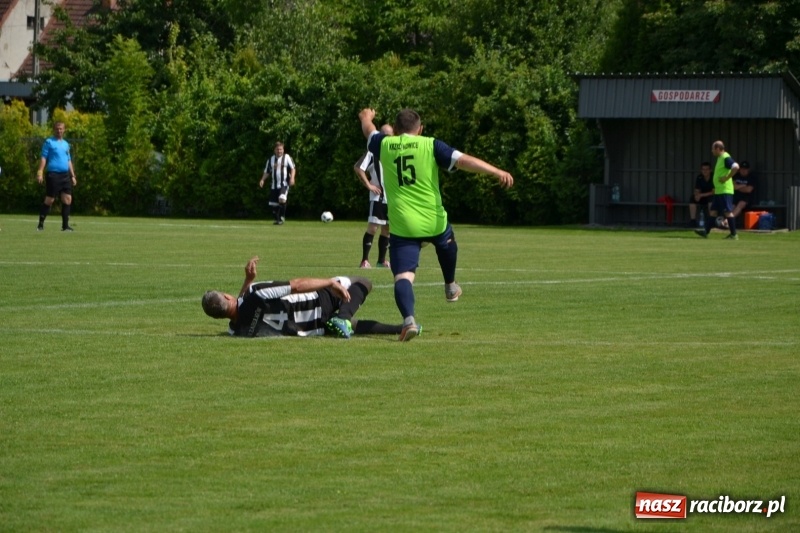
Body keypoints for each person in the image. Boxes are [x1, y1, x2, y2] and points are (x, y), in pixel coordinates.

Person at [359, 107, 514, 341]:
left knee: (403, 277)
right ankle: (450, 285)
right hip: (432, 220)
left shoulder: (384, 144)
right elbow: (463, 160)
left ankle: (409, 320)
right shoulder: (431, 145)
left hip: (403, 225)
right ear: (420, 129)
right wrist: (496, 171)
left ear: (396, 129)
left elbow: (368, 130)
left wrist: (366, 117)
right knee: (446, 239)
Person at [201, 256, 402, 339]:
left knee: (355, 326)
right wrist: (330, 283)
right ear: (227, 296)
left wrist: (247, 280)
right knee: (363, 282)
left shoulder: (236, 331)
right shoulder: (256, 292)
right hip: (317, 301)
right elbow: (296, 286)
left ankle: (401, 329)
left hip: (314, 327)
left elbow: (243, 310)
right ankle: (342, 318)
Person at [354, 124, 394, 269]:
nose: (388, 138)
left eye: (390, 135)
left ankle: (381, 261)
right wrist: (369, 185)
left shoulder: (395, 151)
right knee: (373, 227)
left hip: (392, 198)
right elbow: (358, 167)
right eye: (385, 135)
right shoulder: (372, 152)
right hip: (378, 197)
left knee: (387, 229)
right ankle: (364, 260)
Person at [36, 121, 77, 231]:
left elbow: (68, 160)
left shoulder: (66, 144)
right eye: (57, 129)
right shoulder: (49, 142)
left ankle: (65, 226)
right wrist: (40, 172)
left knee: (67, 199)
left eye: (61, 129)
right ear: (54, 130)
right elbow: (43, 158)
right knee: (50, 200)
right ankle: (40, 224)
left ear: (64, 130)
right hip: (53, 175)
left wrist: (73, 176)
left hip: (65, 176)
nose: (59, 131)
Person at [695, 140, 739, 240]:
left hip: (725, 191)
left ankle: (734, 234)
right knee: (713, 211)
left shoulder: (725, 157)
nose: (712, 151)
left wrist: (726, 178)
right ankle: (706, 231)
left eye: (713, 149)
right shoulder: (720, 158)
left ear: (718, 149)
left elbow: (736, 167)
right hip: (719, 191)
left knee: (728, 212)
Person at [259, 142, 296, 225]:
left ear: (283, 150)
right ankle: (277, 220)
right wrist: (262, 180)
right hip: (274, 185)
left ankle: (282, 217)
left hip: (284, 184)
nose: (279, 151)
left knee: (282, 199)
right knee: (274, 205)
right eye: (278, 149)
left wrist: (292, 178)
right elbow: (267, 171)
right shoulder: (271, 159)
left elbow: (293, 168)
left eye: (281, 149)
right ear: (274, 150)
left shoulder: (287, 157)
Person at [688, 162, 714, 227]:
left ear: (710, 170)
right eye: (703, 169)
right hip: (702, 197)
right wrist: (697, 195)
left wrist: (701, 195)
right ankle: (693, 221)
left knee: (711, 199)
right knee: (692, 198)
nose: (705, 171)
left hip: (712, 197)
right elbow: (697, 189)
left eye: (707, 169)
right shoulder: (699, 177)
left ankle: (711, 221)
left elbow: (714, 192)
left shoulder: (714, 177)